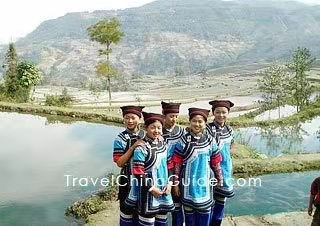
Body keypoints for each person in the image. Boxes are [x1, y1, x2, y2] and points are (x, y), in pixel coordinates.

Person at [171, 107, 223, 226]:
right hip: (187, 184)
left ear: (205, 123)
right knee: (189, 219)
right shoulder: (183, 140)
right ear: (190, 122)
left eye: (200, 121)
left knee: (204, 216)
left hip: (205, 182)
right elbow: (177, 164)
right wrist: (175, 184)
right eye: (194, 121)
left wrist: (219, 178)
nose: (197, 124)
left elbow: (215, 162)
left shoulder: (210, 140)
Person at [126, 112, 175, 226]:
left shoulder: (163, 144)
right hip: (147, 192)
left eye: (159, 128)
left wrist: (170, 184)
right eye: (152, 127)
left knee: (162, 221)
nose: (156, 131)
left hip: (163, 190)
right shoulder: (141, 148)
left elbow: (170, 165)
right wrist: (151, 188)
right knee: (147, 222)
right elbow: (138, 172)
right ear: (145, 128)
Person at [113, 105, 146, 226]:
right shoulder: (120, 139)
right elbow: (119, 163)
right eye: (127, 118)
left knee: (141, 210)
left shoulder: (146, 135)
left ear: (140, 119)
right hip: (126, 179)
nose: (130, 121)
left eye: (133, 118)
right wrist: (133, 147)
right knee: (126, 211)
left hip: (143, 179)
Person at [207, 100, 235, 226]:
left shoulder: (229, 130)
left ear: (228, 113)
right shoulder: (206, 128)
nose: (221, 115)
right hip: (208, 170)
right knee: (208, 201)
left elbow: (230, 147)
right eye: (217, 112)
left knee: (221, 200)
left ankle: (216, 223)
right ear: (213, 113)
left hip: (225, 169)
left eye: (224, 112)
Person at [161, 101, 185, 226]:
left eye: (176, 116)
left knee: (177, 205)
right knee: (161, 207)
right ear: (163, 115)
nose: (174, 119)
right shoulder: (157, 131)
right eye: (171, 116)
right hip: (160, 173)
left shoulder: (182, 132)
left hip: (177, 173)